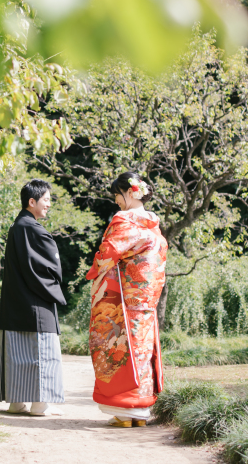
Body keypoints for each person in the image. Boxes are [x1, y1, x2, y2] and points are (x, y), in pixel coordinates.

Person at [85, 172, 168, 427]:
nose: (115, 200)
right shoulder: (153, 224)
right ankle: (140, 415)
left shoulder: (124, 220)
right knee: (141, 349)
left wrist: (94, 270)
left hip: (122, 298)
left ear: (130, 193)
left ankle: (123, 413)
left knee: (116, 347)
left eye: (117, 195)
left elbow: (109, 251)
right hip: (146, 298)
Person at [0, 179, 66, 417]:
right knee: (41, 352)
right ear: (31, 201)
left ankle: (16, 402)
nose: (49, 204)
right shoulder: (33, 229)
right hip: (36, 302)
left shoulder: (17, 226)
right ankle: (40, 404)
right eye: (46, 200)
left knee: (17, 353)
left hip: (15, 301)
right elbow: (51, 266)